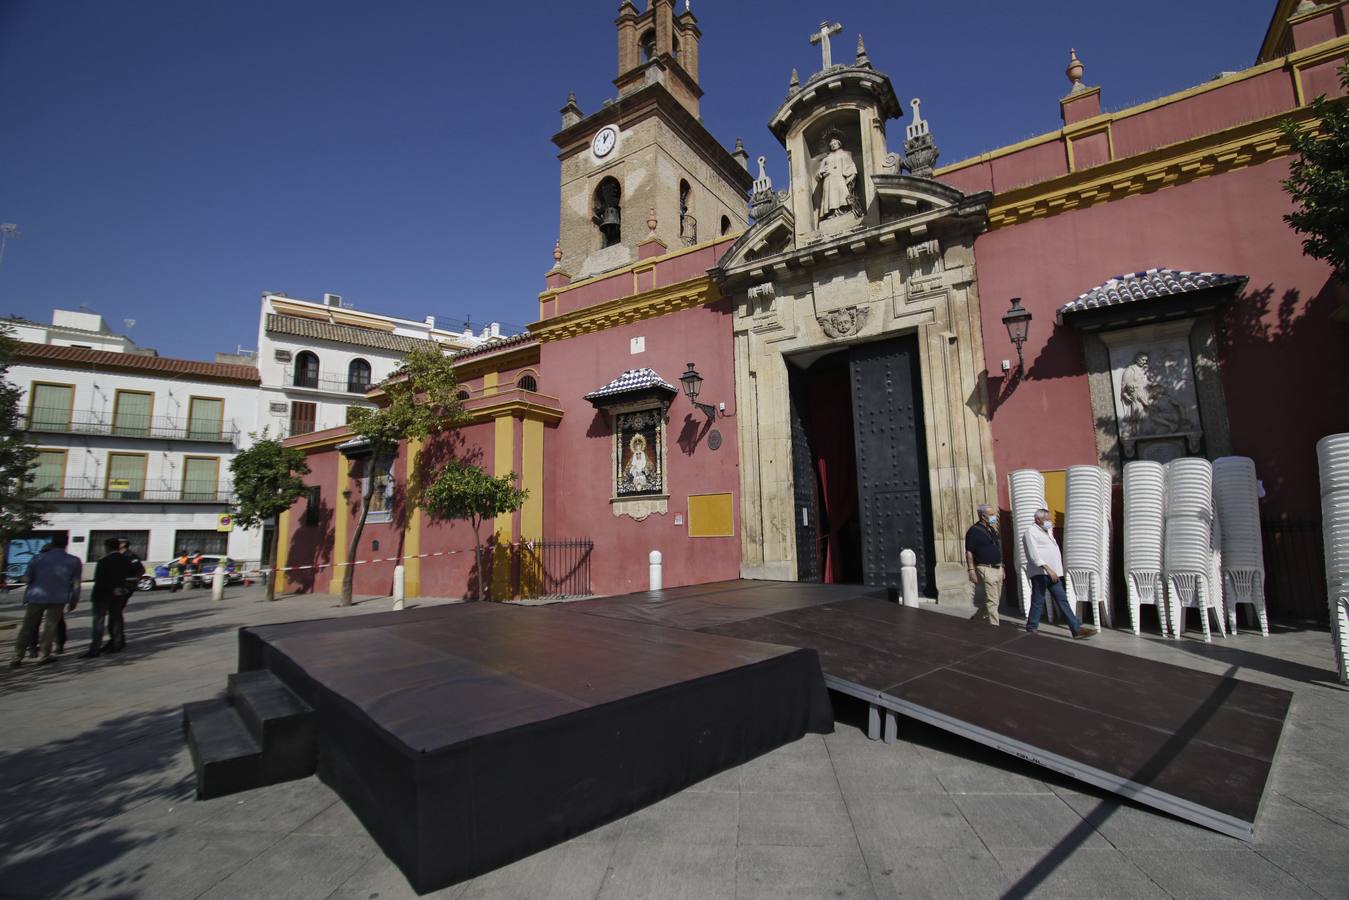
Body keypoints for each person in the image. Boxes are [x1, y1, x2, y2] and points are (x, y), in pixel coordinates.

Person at [1022, 508, 1097, 640]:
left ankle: (1076, 630)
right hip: (1041, 573)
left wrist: (1055, 571)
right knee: (1038, 600)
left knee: (1062, 600)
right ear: (1038, 519)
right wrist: (1048, 569)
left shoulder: (1046, 532)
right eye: (1047, 519)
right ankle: (1031, 626)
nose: (1049, 522)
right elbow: (1034, 555)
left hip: (1054, 573)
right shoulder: (1031, 532)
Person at [10, 534, 82, 668]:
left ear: (52, 543)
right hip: (58, 598)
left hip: (36, 597)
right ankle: (44, 656)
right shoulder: (74, 560)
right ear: (66, 544)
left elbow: (27, 578)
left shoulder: (37, 558)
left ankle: (17, 657)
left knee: (27, 627)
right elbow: (76, 584)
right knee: (50, 627)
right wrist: (74, 600)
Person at [964, 504, 1003, 625]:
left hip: (998, 568)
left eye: (994, 514)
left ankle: (976, 619)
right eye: (991, 515)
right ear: (983, 516)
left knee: (994, 600)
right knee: (993, 601)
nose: (994, 517)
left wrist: (1003, 567)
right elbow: (969, 551)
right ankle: (995, 627)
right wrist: (971, 570)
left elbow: (997, 548)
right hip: (985, 568)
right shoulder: (973, 531)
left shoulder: (992, 530)